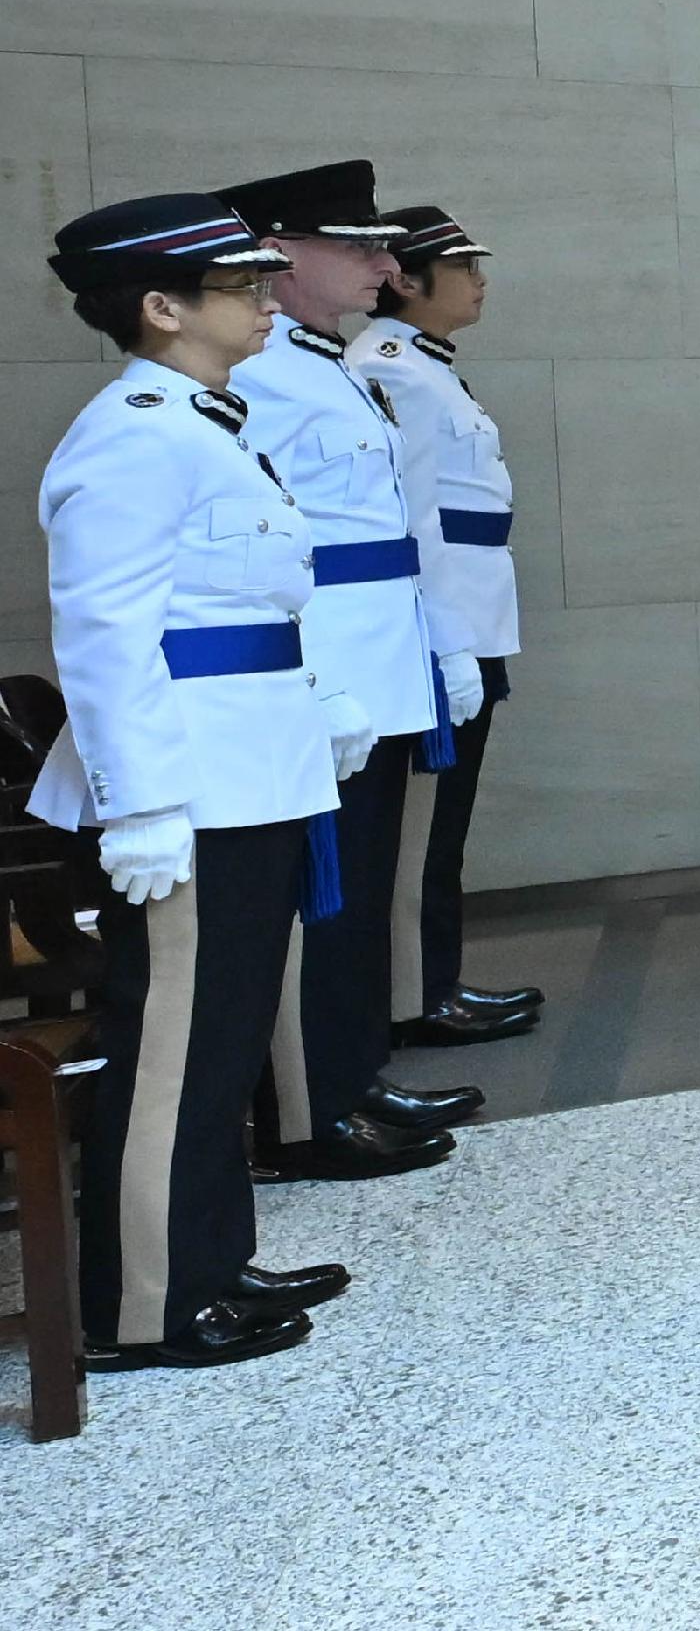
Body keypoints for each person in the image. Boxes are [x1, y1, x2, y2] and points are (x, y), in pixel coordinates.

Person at [33, 195, 358, 1369]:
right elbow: (108, 635)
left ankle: (211, 1258)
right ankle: (147, 1306)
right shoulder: (132, 430)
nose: (267, 301)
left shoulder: (206, 422)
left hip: (250, 770)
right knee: (170, 1046)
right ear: (162, 308)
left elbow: (252, 607)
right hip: (188, 791)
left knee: (220, 1038)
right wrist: (142, 800)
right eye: (243, 288)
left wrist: (321, 708)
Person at [212, 161, 468, 1179]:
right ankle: (311, 1108)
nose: (381, 261)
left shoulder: (327, 361)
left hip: (380, 659)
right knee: (320, 897)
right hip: (330, 668)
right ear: (278, 253)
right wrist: (311, 680)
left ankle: (354, 1072)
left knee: (357, 890)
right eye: (356, 245)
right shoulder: (263, 368)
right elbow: (266, 549)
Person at [351, 207, 543, 1046]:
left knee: (445, 819)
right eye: (463, 265)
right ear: (405, 278)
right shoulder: (389, 367)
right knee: (425, 824)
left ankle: (434, 980)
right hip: (442, 619)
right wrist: (447, 637)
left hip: (472, 609)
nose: (479, 279)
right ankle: (418, 993)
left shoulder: (427, 366)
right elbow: (415, 515)